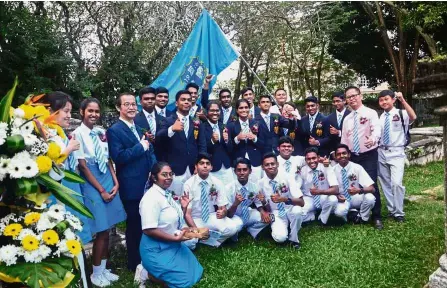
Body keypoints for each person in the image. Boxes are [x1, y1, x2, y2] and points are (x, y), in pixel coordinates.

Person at [34, 91, 92, 287]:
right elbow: (50, 172)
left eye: (70, 111)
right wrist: (68, 150)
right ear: (50, 110)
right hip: (57, 197)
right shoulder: (43, 134)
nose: (69, 115)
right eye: (65, 111)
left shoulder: (56, 131)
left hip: (68, 191)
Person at [73, 98, 127, 287]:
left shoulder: (101, 132)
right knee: (101, 230)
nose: (94, 115)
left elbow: (108, 159)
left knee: (109, 227)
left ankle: (103, 270)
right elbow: (83, 167)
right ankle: (95, 274)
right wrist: (102, 190)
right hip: (92, 183)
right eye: (90, 111)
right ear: (82, 112)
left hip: (107, 178)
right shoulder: (77, 134)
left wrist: (116, 181)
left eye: (97, 111)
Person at [107, 93, 157, 272]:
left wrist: (154, 170)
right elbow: (119, 157)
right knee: (134, 223)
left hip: (149, 182)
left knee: (148, 220)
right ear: (118, 107)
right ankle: (134, 262)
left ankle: (148, 256)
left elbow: (150, 150)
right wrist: (140, 146)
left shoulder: (141, 126)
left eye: (133, 104)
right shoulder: (114, 130)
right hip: (131, 184)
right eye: (126, 104)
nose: (131, 107)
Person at [139, 162, 203, 288]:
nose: (169, 177)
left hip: (172, 243)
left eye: (170, 174)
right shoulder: (151, 198)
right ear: (154, 177)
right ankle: (145, 272)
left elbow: (172, 219)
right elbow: (148, 230)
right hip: (156, 248)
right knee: (184, 283)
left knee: (196, 272)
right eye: (164, 174)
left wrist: (184, 209)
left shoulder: (166, 193)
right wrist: (175, 239)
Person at [341, 86, 383, 230]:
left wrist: (373, 138)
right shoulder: (347, 119)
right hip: (353, 156)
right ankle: (358, 212)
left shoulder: (370, 113)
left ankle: (377, 216)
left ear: (360, 96)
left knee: (371, 184)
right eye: (348, 97)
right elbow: (344, 139)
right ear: (346, 100)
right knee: (354, 183)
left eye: (354, 95)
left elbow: (376, 129)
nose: (352, 99)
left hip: (368, 154)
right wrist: (343, 156)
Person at [184, 153, 239, 246]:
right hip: (195, 218)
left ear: (211, 167)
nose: (205, 166)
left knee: (233, 227)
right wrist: (197, 230)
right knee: (189, 242)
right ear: (196, 166)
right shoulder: (188, 184)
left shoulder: (217, 182)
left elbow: (223, 207)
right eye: (201, 163)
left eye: (207, 163)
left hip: (211, 216)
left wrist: (223, 212)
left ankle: (208, 241)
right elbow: (187, 214)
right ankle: (205, 237)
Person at [157, 90, 206, 196]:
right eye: (183, 100)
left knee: (193, 202)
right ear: (176, 103)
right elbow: (158, 139)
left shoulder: (196, 122)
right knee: (175, 202)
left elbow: (202, 146)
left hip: (193, 170)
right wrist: (172, 129)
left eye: (189, 100)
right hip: (174, 171)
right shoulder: (167, 121)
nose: (186, 102)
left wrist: (200, 165)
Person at [377, 90, 417, 223]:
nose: (384, 102)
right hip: (381, 152)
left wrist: (403, 100)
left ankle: (399, 212)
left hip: (397, 152)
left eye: (386, 99)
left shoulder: (401, 113)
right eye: (381, 100)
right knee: (385, 183)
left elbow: (413, 117)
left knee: (396, 183)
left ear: (393, 100)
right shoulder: (380, 117)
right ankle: (391, 209)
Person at [257, 152, 304, 249]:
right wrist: (264, 202)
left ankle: (294, 239)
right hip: (276, 212)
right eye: (267, 165)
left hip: (290, 208)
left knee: (298, 211)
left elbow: (301, 202)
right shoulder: (260, 183)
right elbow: (267, 208)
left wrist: (284, 199)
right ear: (262, 167)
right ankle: (280, 228)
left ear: (277, 164)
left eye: (272, 164)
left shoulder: (288, 177)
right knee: (280, 238)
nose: (270, 167)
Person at [225, 158, 269, 239]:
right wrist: (235, 204)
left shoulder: (254, 187)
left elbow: (258, 203)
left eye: (245, 170)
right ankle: (235, 233)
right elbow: (228, 215)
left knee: (268, 217)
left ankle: (251, 230)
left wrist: (263, 212)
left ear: (250, 171)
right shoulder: (228, 188)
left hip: (247, 213)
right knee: (237, 226)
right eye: (239, 170)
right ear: (235, 172)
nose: (242, 173)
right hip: (234, 216)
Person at [300, 147, 346, 224]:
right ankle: (312, 216)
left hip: (323, 197)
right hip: (309, 198)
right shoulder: (302, 170)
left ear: (318, 158)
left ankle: (322, 219)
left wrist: (318, 192)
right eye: (308, 159)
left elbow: (335, 189)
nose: (311, 161)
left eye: (314, 158)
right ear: (305, 160)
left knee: (333, 199)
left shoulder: (326, 167)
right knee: (298, 212)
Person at [333, 144, 376, 224]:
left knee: (370, 198)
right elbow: (328, 189)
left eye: (344, 153)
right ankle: (352, 213)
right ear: (335, 157)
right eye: (338, 154)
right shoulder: (332, 170)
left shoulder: (357, 167)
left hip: (355, 196)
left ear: (349, 154)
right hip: (342, 199)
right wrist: (336, 196)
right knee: (339, 213)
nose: (341, 156)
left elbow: (372, 188)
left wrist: (359, 190)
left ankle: (363, 218)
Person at [226, 99, 265, 183]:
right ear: (237, 110)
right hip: (237, 162)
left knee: (255, 186)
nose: (244, 110)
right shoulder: (230, 126)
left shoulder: (257, 124)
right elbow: (228, 147)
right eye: (241, 108)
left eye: (246, 107)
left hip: (255, 161)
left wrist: (255, 138)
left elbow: (263, 144)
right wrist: (237, 139)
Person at [199, 100, 234, 184]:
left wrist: (227, 141)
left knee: (229, 193)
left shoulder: (223, 126)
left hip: (226, 167)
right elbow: (202, 149)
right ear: (207, 112)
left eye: (217, 110)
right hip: (212, 168)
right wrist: (212, 141)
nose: (215, 113)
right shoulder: (202, 127)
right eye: (212, 110)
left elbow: (231, 149)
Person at [135, 87, 165, 161]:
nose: (150, 101)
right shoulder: (134, 120)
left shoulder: (163, 119)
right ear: (140, 101)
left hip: (161, 159)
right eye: (146, 99)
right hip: (142, 158)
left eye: (152, 98)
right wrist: (146, 137)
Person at [326, 92, 350, 158]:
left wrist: (339, 132)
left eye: (338, 101)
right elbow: (328, 137)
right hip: (335, 153)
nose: (336, 103)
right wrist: (332, 152)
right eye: (334, 102)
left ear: (344, 101)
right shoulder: (328, 118)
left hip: (349, 151)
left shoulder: (351, 115)